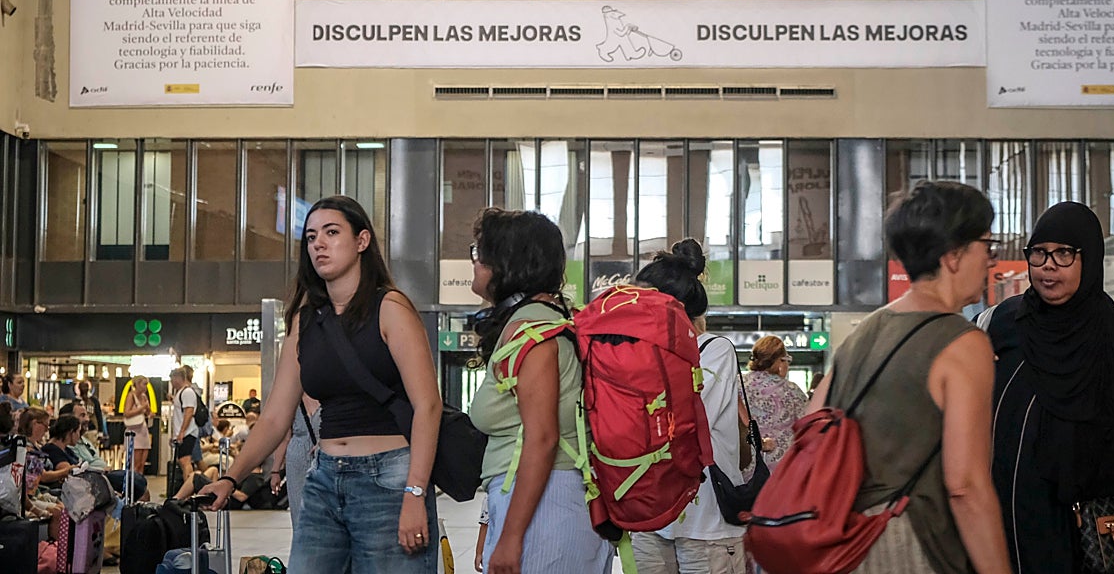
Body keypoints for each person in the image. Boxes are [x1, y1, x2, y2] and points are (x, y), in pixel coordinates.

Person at [198, 194, 442, 573]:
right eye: (311, 237)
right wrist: (230, 478)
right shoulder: (305, 320)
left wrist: (415, 491)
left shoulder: (391, 308)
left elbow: (428, 405)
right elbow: (276, 416)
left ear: (362, 241)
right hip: (324, 477)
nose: (319, 244)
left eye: (331, 232)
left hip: (390, 479)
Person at [981, 201, 1114, 573]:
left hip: (1093, 543)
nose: (1049, 265)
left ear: (1090, 258)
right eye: (1039, 252)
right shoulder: (1003, 326)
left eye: (1064, 253)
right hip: (1010, 534)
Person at [808, 181, 1012, 574]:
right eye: (987, 246)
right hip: (912, 545)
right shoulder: (964, 342)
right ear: (953, 255)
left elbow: (812, 424)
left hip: (846, 546)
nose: (991, 261)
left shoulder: (865, 331)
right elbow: (965, 486)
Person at [467, 207, 613, 574]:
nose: (474, 262)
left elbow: (543, 438)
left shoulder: (533, 329)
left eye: (478, 252)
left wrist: (512, 537)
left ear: (505, 262)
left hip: (548, 510)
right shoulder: (545, 320)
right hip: (548, 503)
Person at [630, 238, 746, 574]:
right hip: (649, 518)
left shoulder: (715, 350)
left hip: (705, 521)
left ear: (673, 306)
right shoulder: (636, 356)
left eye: (645, 300)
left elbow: (683, 419)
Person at [742, 335, 808, 470]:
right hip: (782, 468)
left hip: (743, 462)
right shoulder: (791, 390)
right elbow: (807, 425)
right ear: (779, 362)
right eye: (786, 360)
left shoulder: (737, 385)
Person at [269, 395, 321, 531]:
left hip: (324, 453)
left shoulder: (327, 393)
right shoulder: (292, 400)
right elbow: (284, 438)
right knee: (298, 507)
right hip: (297, 458)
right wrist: (275, 471)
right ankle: (302, 546)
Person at [169, 367, 200, 483]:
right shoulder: (182, 392)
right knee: (183, 461)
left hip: (188, 432)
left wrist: (182, 431)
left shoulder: (187, 392)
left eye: (172, 379)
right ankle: (188, 486)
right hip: (184, 432)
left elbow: (189, 412)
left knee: (185, 461)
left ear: (177, 378)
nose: (172, 383)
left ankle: (189, 487)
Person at [124, 375, 153, 474]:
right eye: (144, 384)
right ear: (137, 384)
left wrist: (149, 413)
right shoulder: (131, 396)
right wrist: (141, 408)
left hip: (143, 429)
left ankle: (140, 482)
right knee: (135, 463)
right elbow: (127, 413)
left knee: (142, 463)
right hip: (134, 431)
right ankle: (133, 484)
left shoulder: (144, 397)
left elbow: (148, 411)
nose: (145, 387)